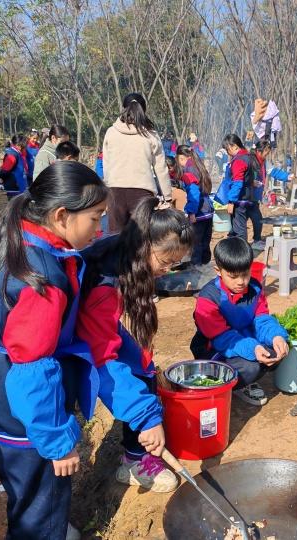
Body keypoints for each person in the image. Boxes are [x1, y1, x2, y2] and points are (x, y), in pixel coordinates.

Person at [0, 161, 110, 540]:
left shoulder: (22, 237)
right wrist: (57, 442)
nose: (100, 228)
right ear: (61, 216)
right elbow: (32, 369)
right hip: (21, 410)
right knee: (39, 503)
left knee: (23, 487)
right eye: (95, 218)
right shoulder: (42, 283)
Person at [78, 197, 193, 493]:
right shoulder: (104, 286)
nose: (166, 272)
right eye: (165, 263)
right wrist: (147, 418)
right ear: (145, 246)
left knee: (143, 366)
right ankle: (135, 462)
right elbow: (104, 359)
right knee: (129, 378)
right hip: (74, 344)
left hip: (98, 328)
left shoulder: (126, 251)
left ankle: (133, 454)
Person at [190, 237, 289, 406]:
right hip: (215, 347)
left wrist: (276, 336)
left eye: (245, 274)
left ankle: (241, 379)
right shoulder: (208, 298)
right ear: (218, 271)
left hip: (245, 338)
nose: (241, 282)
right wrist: (253, 348)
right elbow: (222, 338)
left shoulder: (255, 288)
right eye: (233, 276)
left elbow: (262, 320)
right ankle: (232, 385)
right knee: (251, 367)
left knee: (277, 349)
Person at [102, 93, 172, 234]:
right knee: (141, 240)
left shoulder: (111, 132)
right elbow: (161, 168)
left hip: (115, 192)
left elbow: (107, 165)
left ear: (123, 108)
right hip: (142, 194)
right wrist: (168, 197)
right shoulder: (151, 134)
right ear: (143, 110)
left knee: (116, 239)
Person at [216, 134, 262, 245]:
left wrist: (231, 201)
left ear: (234, 146)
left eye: (228, 149)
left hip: (239, 199)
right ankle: (235, 250)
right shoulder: (247, 156)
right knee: (236, 228)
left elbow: (237, 183)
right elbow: (247, 178)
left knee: (239, 230)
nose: (227, 152)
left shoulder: (239, 161)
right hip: (248, 197)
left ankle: (242, 255)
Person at [175, 145, 214, 266]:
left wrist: (191, 211)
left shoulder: (189, 171)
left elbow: (194, 193)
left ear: (182, 158)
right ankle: (205, 264)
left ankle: (196, 269)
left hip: (199, 212)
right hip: (208, 210)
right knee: (205, 240)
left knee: (196, 243)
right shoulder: (199, 166)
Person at [0, 134, 29, 198]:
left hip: (19, 186)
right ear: (18, 145)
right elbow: (5, 171)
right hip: (14, 187)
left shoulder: (18, 153)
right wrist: (1, 178)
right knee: (16, 206)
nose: (25, 147)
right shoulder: (12, 156)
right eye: (24, 146)